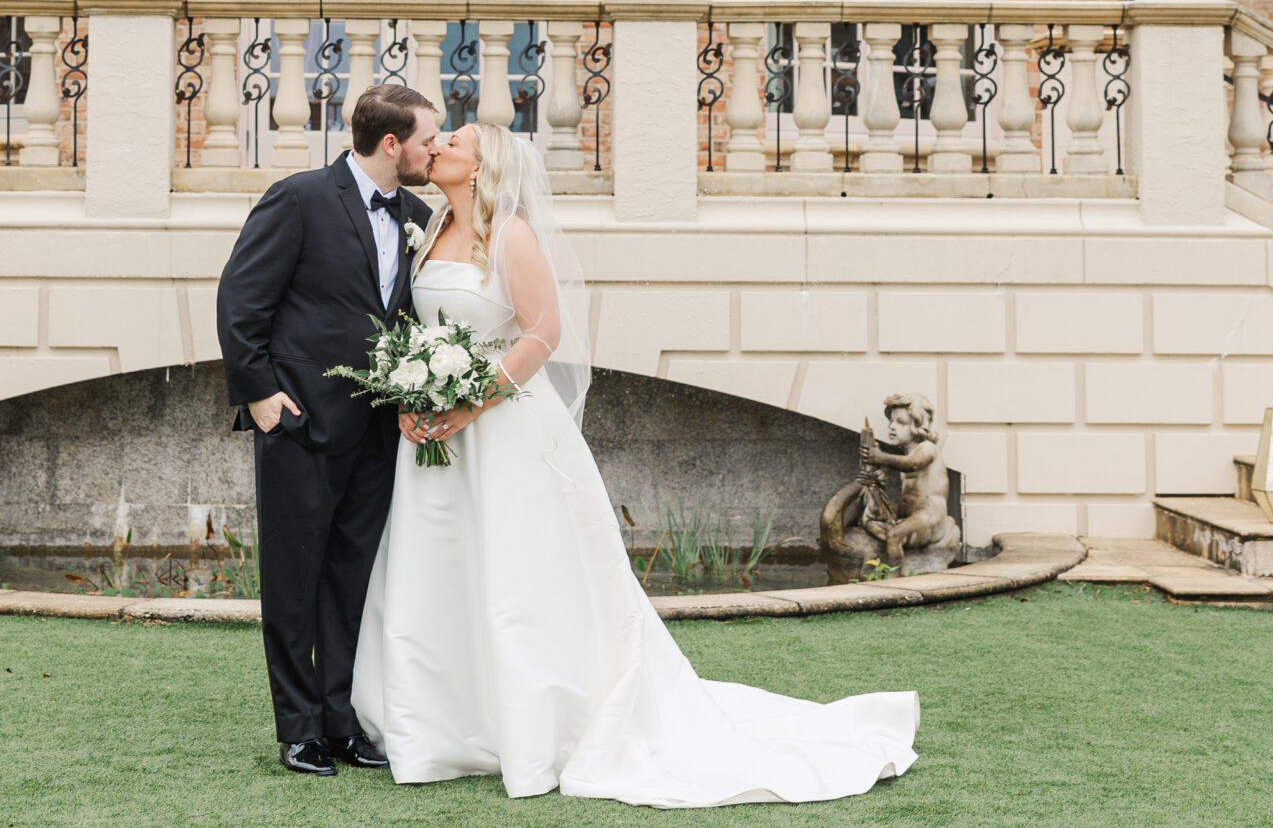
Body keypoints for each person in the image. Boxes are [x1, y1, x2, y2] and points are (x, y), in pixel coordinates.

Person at [351, 121, 921, 807]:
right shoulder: (433, 224)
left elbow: (542, 331)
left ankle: (531, 722)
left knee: (515, 576)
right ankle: (439, 722)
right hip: (436, 439)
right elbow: (427, 330)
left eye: (453, 140)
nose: (436, 144)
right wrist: (416, 392)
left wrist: (471, 403)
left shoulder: (511, 235)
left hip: (501, 433)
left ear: (480, 167)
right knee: (442, 566)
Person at [215, 82, 440, 778]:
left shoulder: (419, 214)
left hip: (377, 430)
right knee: (293, 581)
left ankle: (342, 721)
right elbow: (240, 299)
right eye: (428, 139)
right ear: (392, 142)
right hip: (301, 422)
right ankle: (299, 727)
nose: (435, 149)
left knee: (351, 583)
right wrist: (261, 396)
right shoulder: (300, 197)